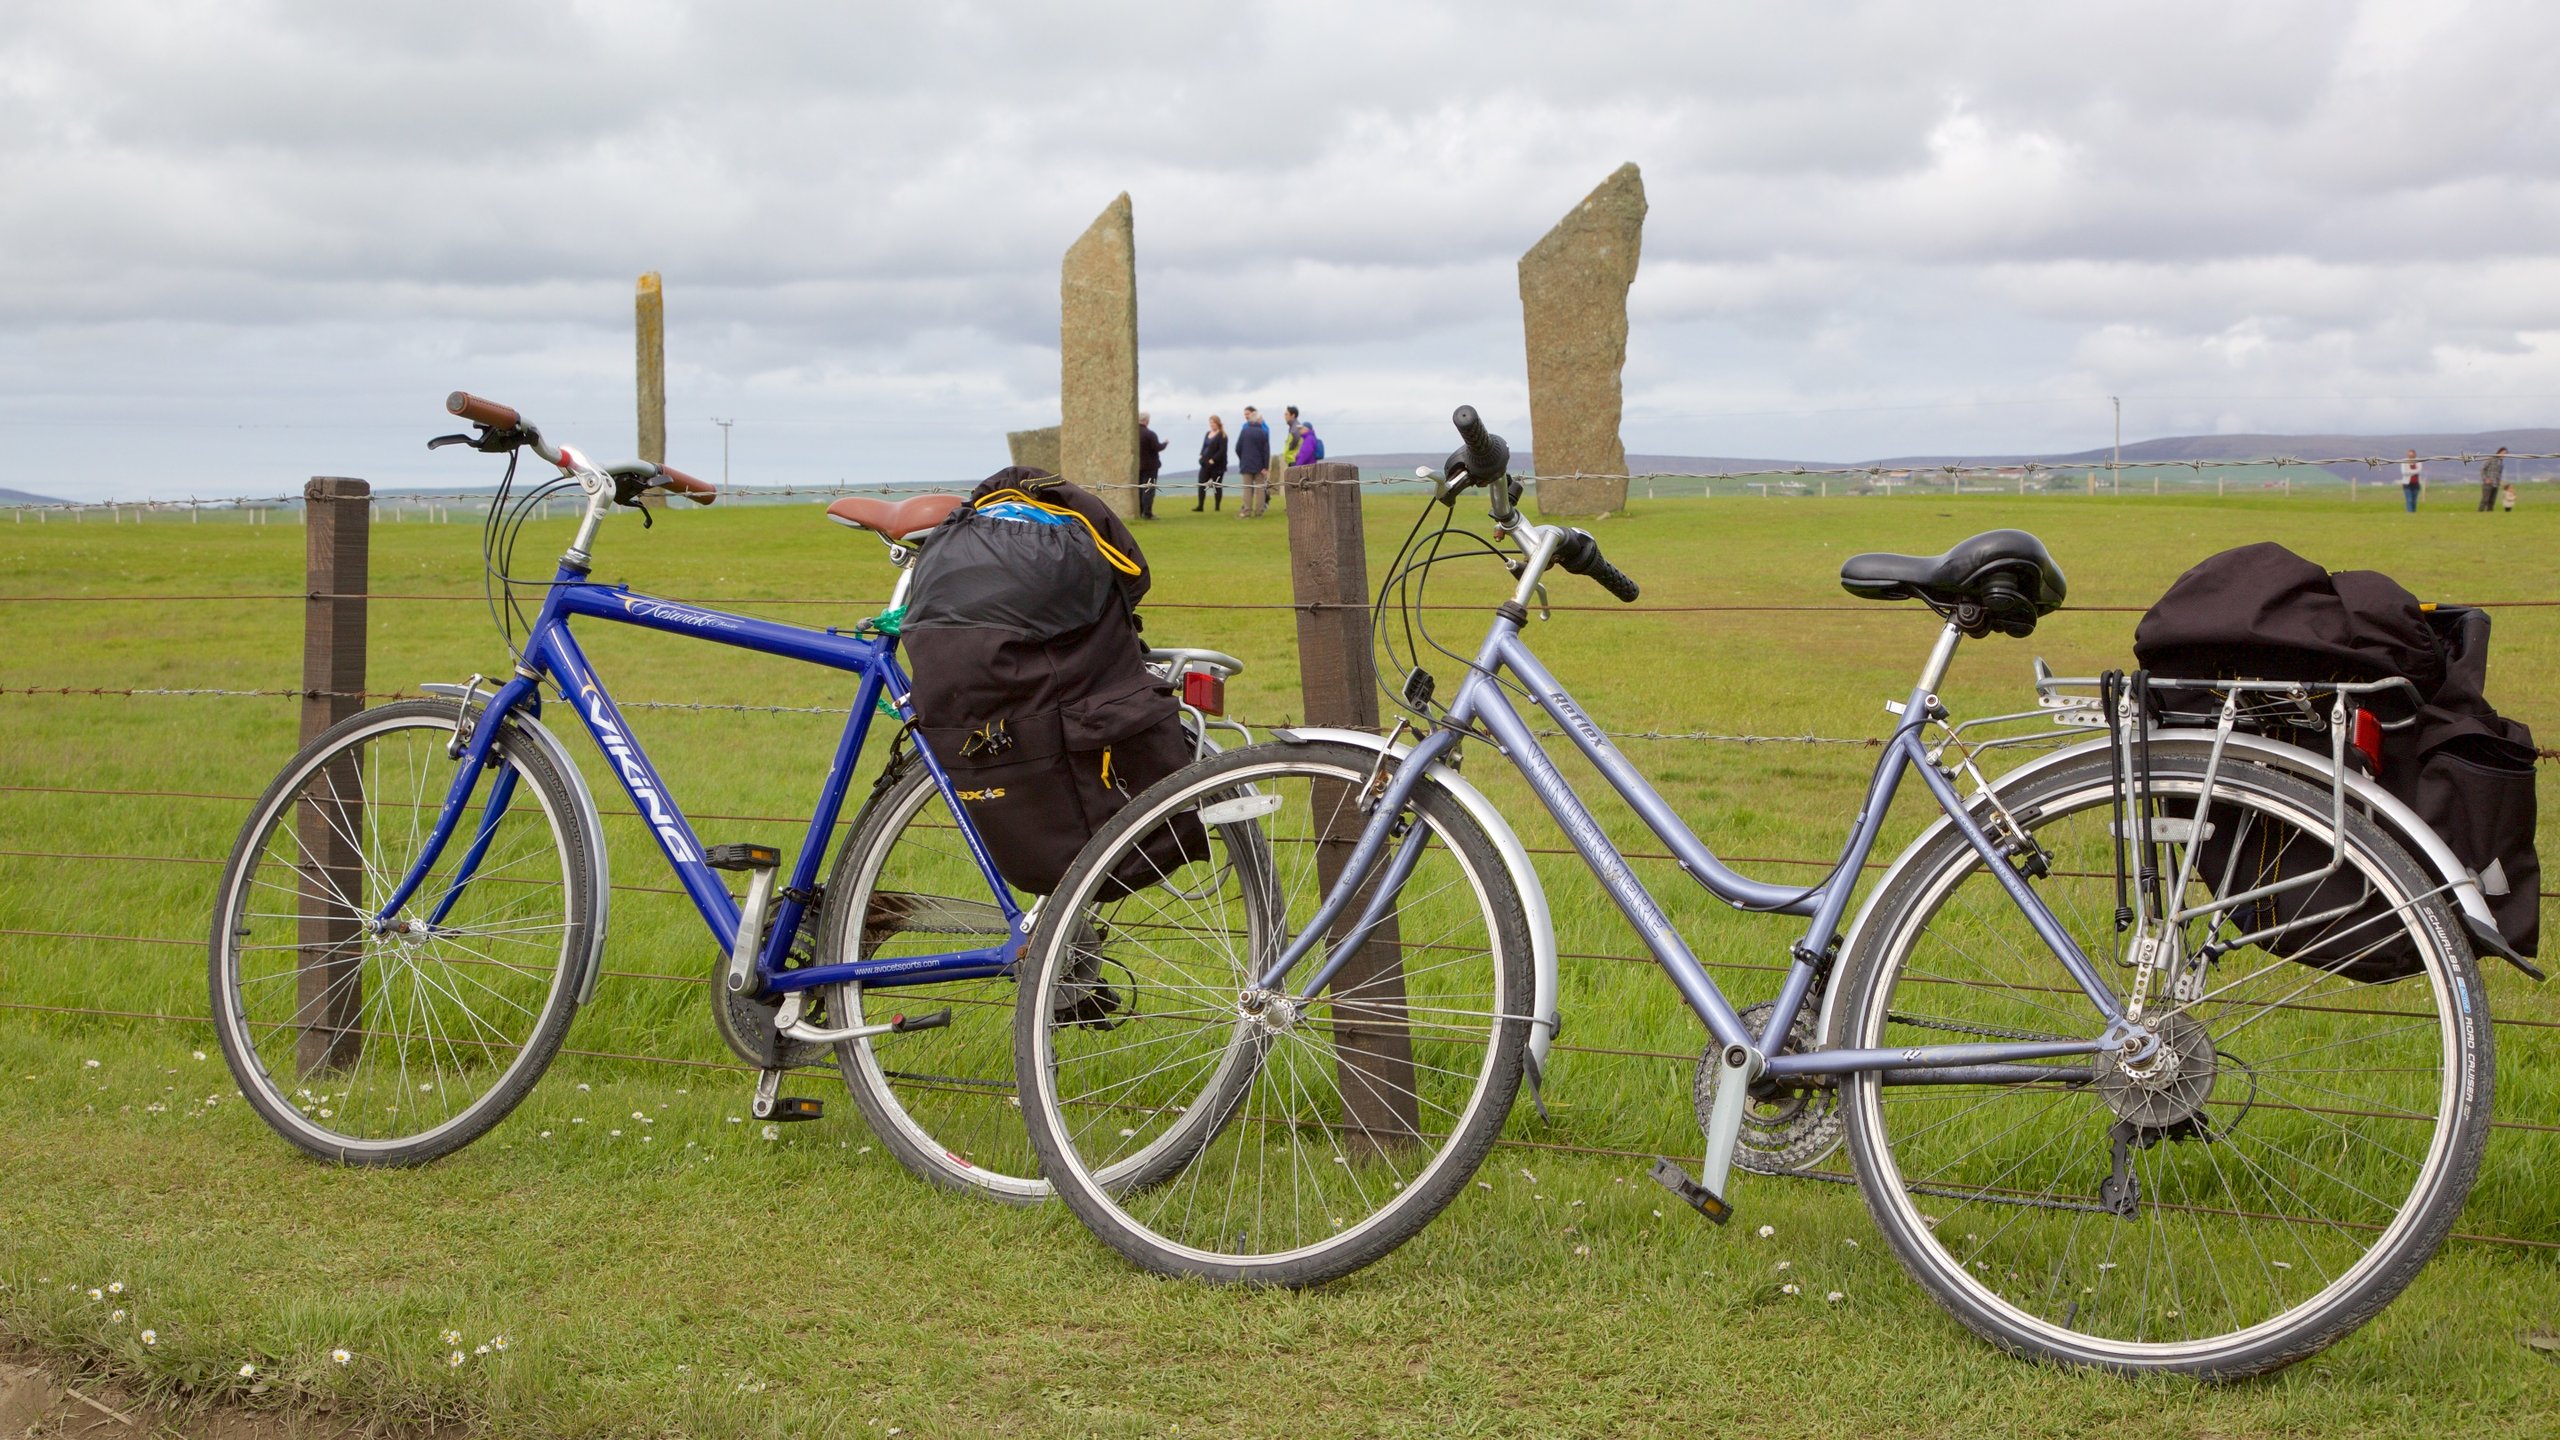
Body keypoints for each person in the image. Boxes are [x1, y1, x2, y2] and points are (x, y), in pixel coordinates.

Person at [1235, 406, 1272, 518]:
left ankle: (1246, 511)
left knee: (1247, 488)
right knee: (1260, 488)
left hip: (1246, 464)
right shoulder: (1263, 432)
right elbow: (1266, 451)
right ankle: (1259, 512)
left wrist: (1242, 459)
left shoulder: (1244, 431)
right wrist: (1265, 466)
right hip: (1260, 465)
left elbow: (1237, 448)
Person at [1135, 411, 1166, 520]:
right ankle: (1147, 513)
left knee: (1139, 489)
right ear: (1147, 421)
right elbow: (1157, 447)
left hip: (1137, 467)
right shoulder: (1149, 434)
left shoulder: (1133, 433)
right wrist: (1165, 443)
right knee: (1149, 489)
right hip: (1150, 466)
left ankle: (1139, 511)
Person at [1196, 415, 1229, 512]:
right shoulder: (1207, 433)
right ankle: (1200, 506)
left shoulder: (1223, 435)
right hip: (1205, 463)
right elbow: (1204, 446)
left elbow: (1222, 450)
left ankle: (1217, 507)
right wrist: (1201, 455)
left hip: (1217, 465)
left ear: (1218, 423)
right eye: (1210, 423)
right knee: (1201, 484)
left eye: (1213, 423)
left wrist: (1213, 459)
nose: (1212, 425)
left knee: (1217, 485)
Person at [2479, 446, 2507, 512]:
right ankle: (2480, 512)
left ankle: (2489, 513)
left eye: (2505, 453)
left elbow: (2499, 473)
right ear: (2499, 452)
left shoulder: (2501, 462)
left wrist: (2500, 480)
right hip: (2488, 483)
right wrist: (2485, 479)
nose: (2504, 455)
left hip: (2496, 483)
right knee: (2485, 499)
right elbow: (2482, 469)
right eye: (2503, 453)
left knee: (2492, 500)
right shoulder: (2491, 459)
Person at [2400, 448, 2422, 513]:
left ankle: (2414, 513)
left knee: (2414, 500)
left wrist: (2409, 471)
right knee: (2409, 499)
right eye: (2410, 456)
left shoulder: (2418, 461)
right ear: (2408, 455)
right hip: (2407, 484)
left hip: (2416, 483)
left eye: (2412, 455)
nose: (2411, 457)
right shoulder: (2404, 461)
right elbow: (2404, 472)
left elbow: (2419, 470)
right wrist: (2413, 472)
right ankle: (2409, 513)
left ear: (2415, 455)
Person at [1281, 405, 1302, 471]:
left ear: (1293, 415)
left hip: (1294, 460)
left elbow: (1296, 437)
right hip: (1292, 460)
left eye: (1286, 414)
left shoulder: (1295, 426)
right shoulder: (1293, 425)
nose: (1285, 416)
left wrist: (1290, 447)